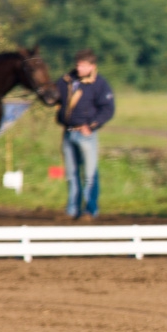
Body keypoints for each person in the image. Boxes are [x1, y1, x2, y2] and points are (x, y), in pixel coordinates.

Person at [55, 49, 114, 220]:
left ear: (92, 66)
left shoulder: (99, 84)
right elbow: (55, 97)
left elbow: (108, 109)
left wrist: (93, 125)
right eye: (78, 65)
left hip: (86, 133)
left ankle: (90, 209)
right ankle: (72, 209)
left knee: (89, 174)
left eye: (83, 65)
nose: (79, 68)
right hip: (68, 132)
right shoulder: (66, 81)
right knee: (71, 173)